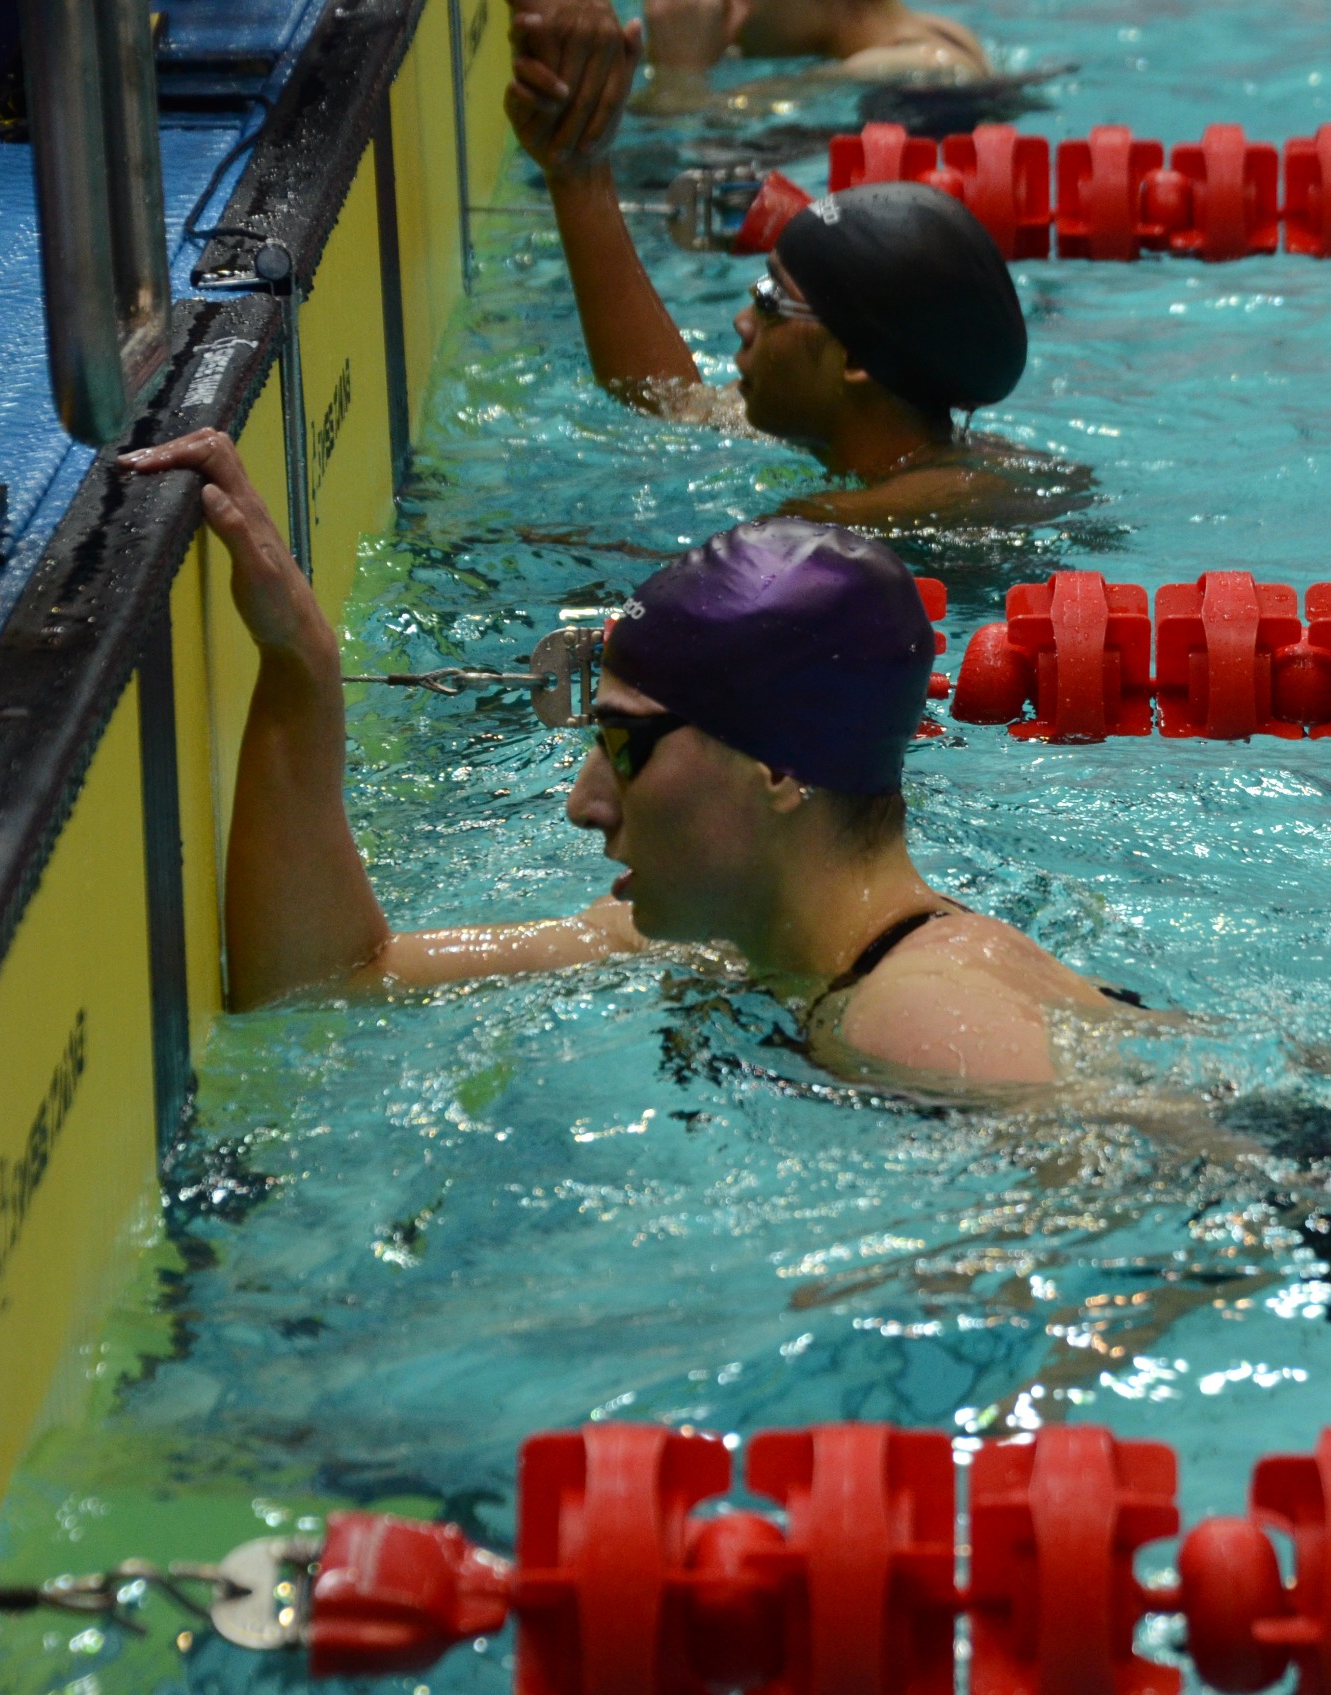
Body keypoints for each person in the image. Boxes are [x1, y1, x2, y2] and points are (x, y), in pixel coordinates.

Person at [119, 428, 1133, 1089]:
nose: (583, 804)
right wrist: (302, 666)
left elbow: (1177, 1200)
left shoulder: (915, 1015)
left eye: (623, 746)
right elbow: (323, 983)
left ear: (778, 768)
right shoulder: (725, 941)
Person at [506, 5, 1083, 530]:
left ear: (854, 358)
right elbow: (670, 401)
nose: (740, 320)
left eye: (768, 300)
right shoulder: (879, 428)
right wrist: (578, 173)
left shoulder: (865, 514)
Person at [635, 0, 990, 108]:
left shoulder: (911, 67)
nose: (724, 10)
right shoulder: (934, 31)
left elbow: (695, 124)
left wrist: (678, 76)